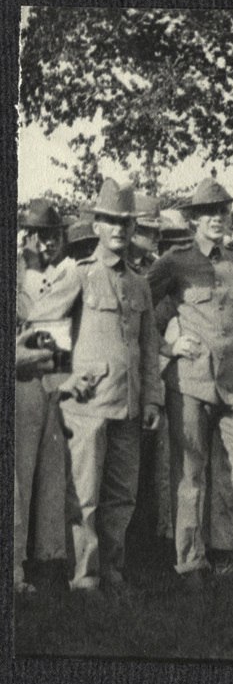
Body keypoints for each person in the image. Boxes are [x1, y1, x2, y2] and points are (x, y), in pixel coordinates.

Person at [30, 181, 165, 594]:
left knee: (121, 495)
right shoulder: (79, 274)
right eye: (110, 220)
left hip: (127, 405)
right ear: (98, 225)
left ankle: (114, 572)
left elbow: (148, 346)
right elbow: (42, 327)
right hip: (87, 407)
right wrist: (64, 380)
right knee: (84, 497)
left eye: (126, 221)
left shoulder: (139, 283)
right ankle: (85, 579)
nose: (119, 228)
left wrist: (152, 398)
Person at [149, 177, 233, 588]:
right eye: (209, 213)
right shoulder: (174, 262)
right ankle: (191, 565)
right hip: (190, 385)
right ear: (193, 220)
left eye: (224, 211)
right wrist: (167, 349)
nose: (218, 219)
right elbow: (138, 314)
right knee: (190, 478)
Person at [16, 201, 77, 593]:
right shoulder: (19, 275)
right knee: (19, 477)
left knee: (52, 474)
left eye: (53, 234)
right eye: (38, 235)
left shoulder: (67, 274)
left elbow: (46, 325)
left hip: (53, 378)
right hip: (21, 381)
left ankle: (49, 561)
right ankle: (15, 569)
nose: (46, 242)